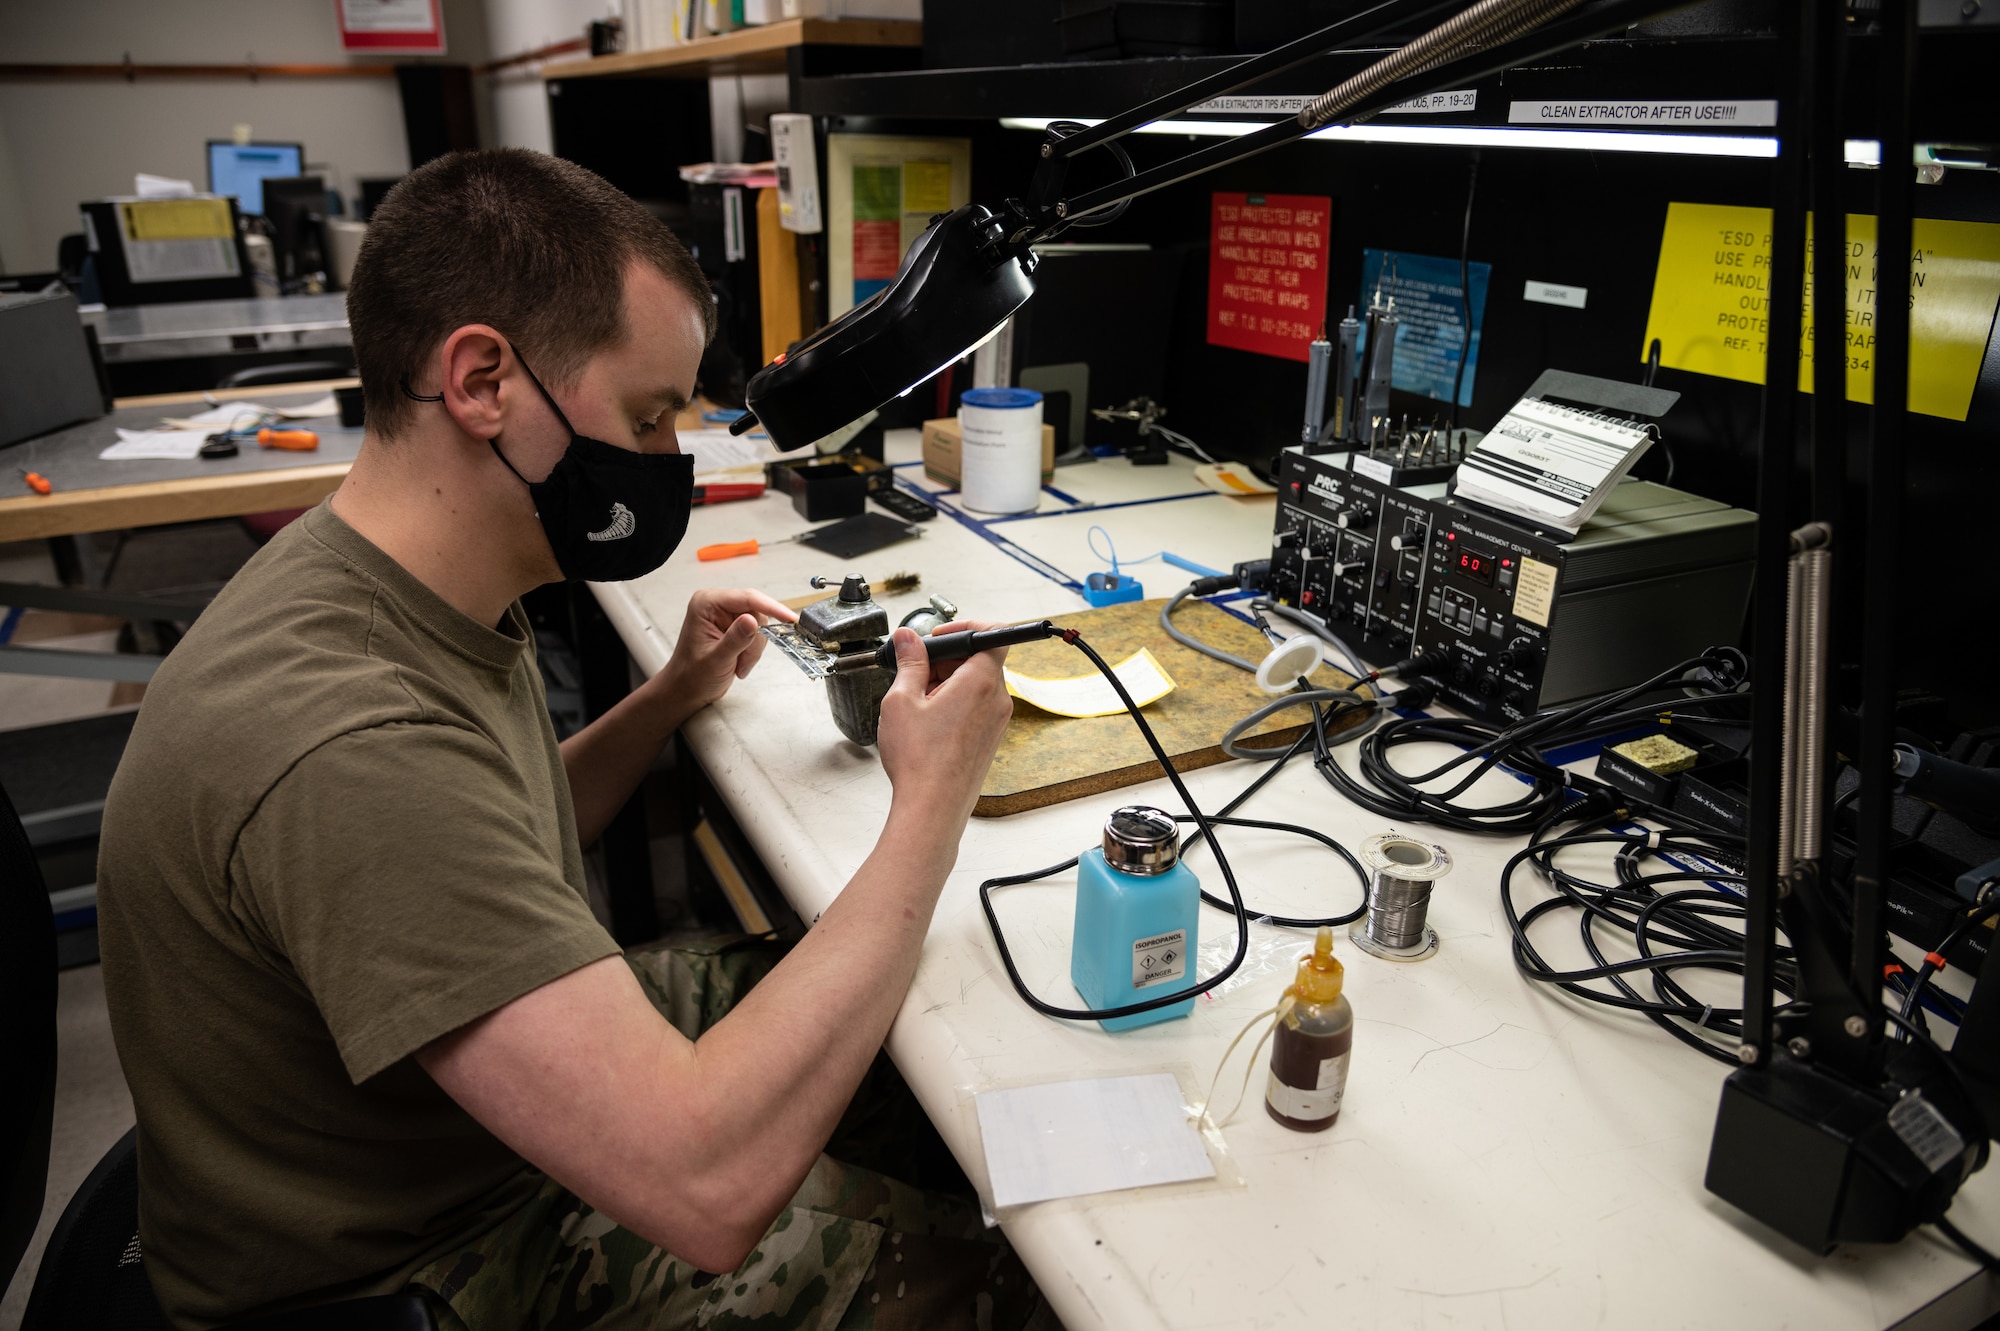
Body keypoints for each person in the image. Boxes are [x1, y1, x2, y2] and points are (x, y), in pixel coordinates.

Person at [97, 148, 1043, 1331]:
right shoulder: (347, 736)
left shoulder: (383, 585)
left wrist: (665, 700)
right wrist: (930, 806)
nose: (667, 465)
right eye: (647, 415)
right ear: (483, 379)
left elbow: (480, 841)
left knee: (912, 1048)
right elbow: (704, 1187)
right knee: (1001, 1278)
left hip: (419, 1143)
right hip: (408, 1266)